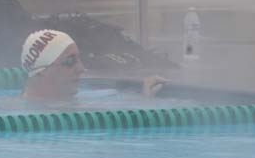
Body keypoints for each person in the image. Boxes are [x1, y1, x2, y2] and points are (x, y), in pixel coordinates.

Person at [21, 28, 165, 102]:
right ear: (42, 71)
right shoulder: (21, 112)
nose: (81, 69)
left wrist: (144, 97)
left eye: (79, 59)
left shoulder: (81, 99)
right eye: (70, 61)